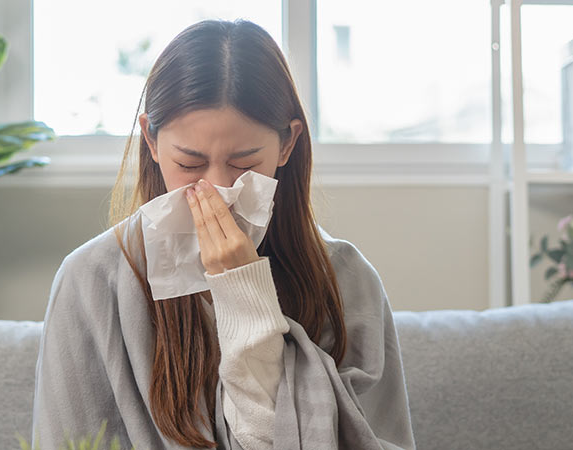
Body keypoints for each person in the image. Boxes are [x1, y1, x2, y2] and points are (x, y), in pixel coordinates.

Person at [31, 18, 416, 450]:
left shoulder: (346, 281)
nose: (217, 191)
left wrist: (245, 298)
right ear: (152, 142)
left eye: (245, 164)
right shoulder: (90, 281)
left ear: (287, 145)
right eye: (190, 164)